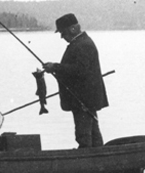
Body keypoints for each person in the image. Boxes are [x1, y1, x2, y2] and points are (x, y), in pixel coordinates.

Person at [42, 13, 109, 148]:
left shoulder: (82, 45)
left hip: (83, 100)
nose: (62, 36)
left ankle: (87, 161)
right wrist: (56, 68)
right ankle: (99, 158)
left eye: (63, 32)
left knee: (84, 134)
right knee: (93, 132)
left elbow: (80, 70)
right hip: (86, 99)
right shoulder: (82, 42)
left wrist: (55, 67)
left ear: (73, 29)